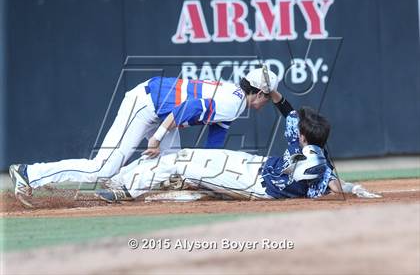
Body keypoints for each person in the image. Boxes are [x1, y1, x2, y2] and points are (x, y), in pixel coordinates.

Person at [9, 67, 279, 207]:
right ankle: (30, 173)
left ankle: (119, 186)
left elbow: (213, 147)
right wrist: (157, 137)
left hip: (160, 111)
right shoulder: (233, 103)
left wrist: (210, 177)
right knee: (102, 166)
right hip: (146, 104)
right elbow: (189, 108)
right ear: (260, 93)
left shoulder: (235, 100)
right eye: (267, 97)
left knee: (168, 162)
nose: (266, 102)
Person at [95, 90, 381, 202]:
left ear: (305, 136)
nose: (297, 125)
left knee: (185, 162)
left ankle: (124, 187)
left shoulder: (315, 161)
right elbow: (290, 113)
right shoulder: (313, 149)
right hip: (255, 165)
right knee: (187, 159)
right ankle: (122, 180)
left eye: (301, 127)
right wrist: (354, 189)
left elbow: (327, 182)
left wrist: (348, 188)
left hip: (255, 184)